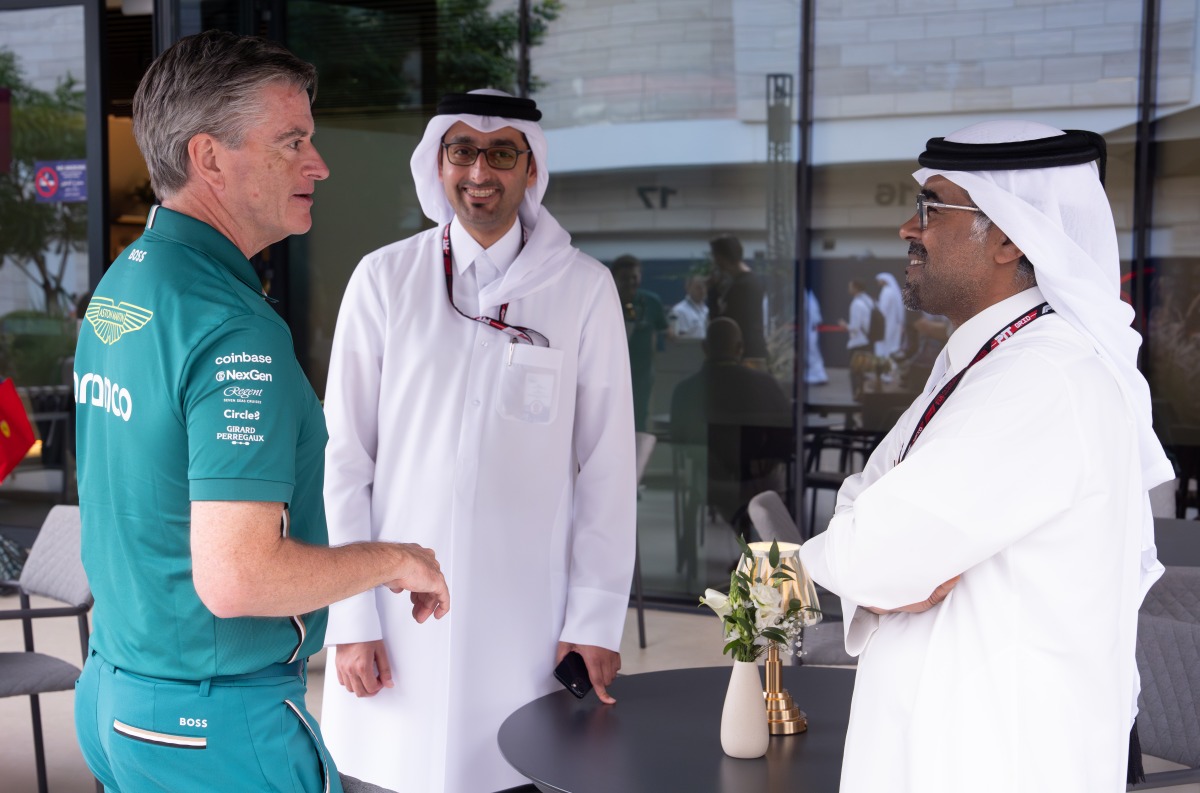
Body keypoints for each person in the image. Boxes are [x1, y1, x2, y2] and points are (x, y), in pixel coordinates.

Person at [71, 31, 450, 793]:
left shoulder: (125, 285)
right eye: (293, 141)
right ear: (209, 158)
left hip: (117, 697)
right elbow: (239, 578)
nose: (319, 163)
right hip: (210, 730)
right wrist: (398, 558)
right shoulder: (233, 327)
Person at [798, 121, 1175, 793]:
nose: (907, 231)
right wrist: (865, 548)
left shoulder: (1042, 379)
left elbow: (865, 551)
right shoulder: (990, 357)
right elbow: (862, 511)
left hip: (993, 756)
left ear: (1007, 235)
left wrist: (857, 551)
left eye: (930, 209)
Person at [320, 90, 636, 793]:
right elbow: (345, 461)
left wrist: (594, 618)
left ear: (531, 169)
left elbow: (608, 468)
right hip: (396, 616)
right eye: (462, 150)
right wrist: (350, 614)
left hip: (526, 615)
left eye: (501, 152)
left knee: (515, 770)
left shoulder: (583, 290)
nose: (479, 170)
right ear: (437, 163)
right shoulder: (383, 280)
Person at [671, 317, 790, 573]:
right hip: (761, 480)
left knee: (717, 484)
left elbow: (679, 440)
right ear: (739, 348)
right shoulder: (765, 385)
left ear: (704, 347)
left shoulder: (685, 391)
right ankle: (771, 555)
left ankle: (747, 549)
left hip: (709, 480)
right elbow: (787, 437)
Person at [612, 253, 669, 432]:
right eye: (624, 278)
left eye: (634, 277)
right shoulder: (605, 300)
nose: (630, 282)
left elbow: (664, 330)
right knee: (612, 418)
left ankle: (636, 458)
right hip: (611, 372)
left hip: (642, 374)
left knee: (639, 418)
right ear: (613, 278)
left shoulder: (651, 302)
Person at [707, 234, 768, 368]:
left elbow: (722, 323)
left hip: (744, 355)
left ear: (721, 258)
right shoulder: (750, 281)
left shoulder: (741, 287)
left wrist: (712, 293)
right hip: (753, 350)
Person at [839, 277, 875, 398]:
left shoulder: (856, 304)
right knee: (863, 371)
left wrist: (845, 325)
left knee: (856, 372)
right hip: (866, 341)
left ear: (855, 288)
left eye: (850, 287)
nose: (848, 289)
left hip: (857, 343)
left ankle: (857, 396)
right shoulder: (868, 301)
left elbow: (854, 327)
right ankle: (863, 396)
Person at [874, 271, 905, 358]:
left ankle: (885, 369)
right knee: (892, 346)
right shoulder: (892, 291)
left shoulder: (886, 292)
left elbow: (883, 310)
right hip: (893, 324)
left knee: (884, 347)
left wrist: (876, 306)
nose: (878, 282)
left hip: (886, 324)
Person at [670, 274, 709, 338]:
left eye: (704, 287)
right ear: (688, 288)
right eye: (698, 288)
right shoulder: (679, 311)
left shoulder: (706, 309)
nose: (702, 291)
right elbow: (680, 339)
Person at [804, 287, 828, 385]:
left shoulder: (808, 296)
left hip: (810, 329)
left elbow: (814, 314)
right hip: (809, 328)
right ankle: (817, 374)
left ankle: (818, 375)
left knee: (812, 352)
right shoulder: (809, 295)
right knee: (811, 352)